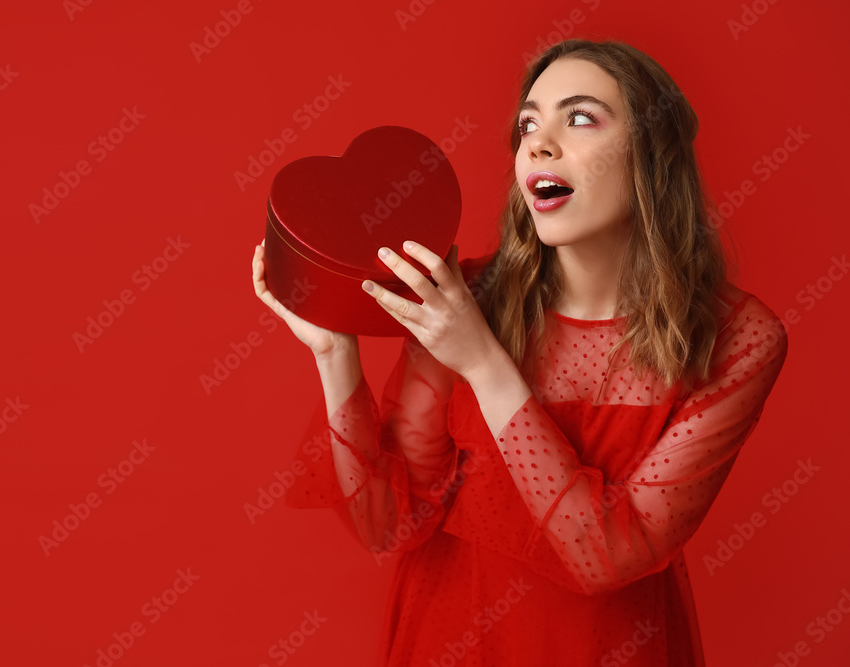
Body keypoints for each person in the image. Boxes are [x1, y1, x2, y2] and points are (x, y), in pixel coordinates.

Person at [250, 38, 787, 667]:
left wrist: (482, 365)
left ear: (652, 154)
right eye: (528, 123)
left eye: (580, 117)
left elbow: (608, 555)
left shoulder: (739, 337)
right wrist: (334, 353)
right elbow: (387, 524)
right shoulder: (463, 300)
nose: (538, 143)